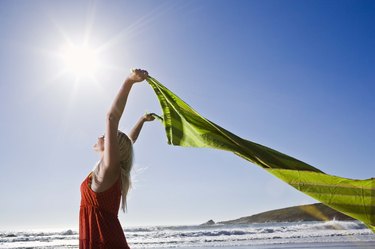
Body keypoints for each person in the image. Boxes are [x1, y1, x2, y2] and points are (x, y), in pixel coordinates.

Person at [79, 69, 154, 249]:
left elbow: (111, 118)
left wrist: (129, 81)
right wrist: (142, 120)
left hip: (106, 243)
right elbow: (130, 141)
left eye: (105, 135)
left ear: (112, 147)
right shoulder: (108, 169)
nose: (101, 135)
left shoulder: (108, 169)